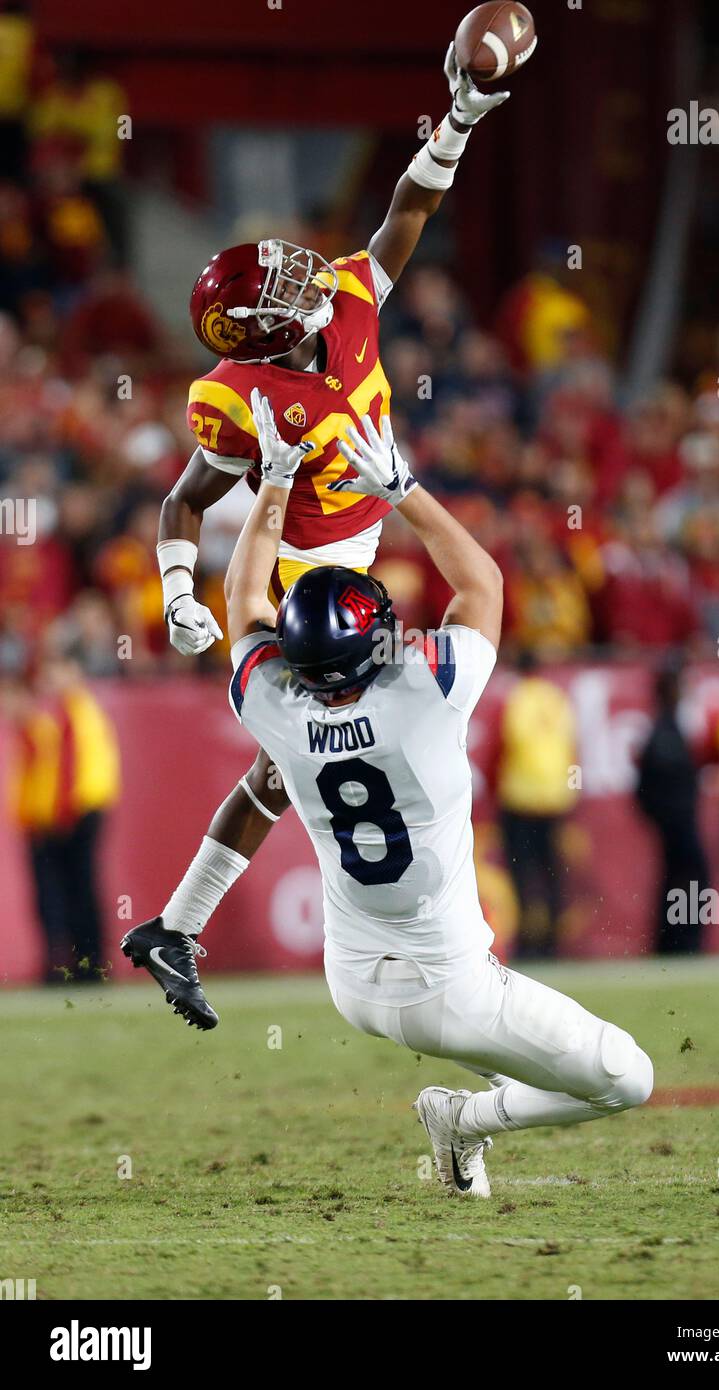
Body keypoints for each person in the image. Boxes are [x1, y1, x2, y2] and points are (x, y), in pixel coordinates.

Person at [122, 409, 653, 1198]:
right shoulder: (426, 693)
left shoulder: (275, 705)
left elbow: (244, 596)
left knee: (528, 1047)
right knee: (626, 1079)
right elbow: (483, 582)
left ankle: (182, 924)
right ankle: (462, 1122)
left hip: (353, 981)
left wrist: (270, 482)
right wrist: (403, 490)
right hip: (450, 988)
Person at [151, 40, 514, 918]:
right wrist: (174, 588)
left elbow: (408, 211)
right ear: (265, 337)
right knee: (314, 751)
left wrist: (458, 120)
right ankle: (406, 917)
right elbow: (184, 500)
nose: (303, 272)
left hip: (373, 521)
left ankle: (176, 924)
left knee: (289, 763)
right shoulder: (235, 398)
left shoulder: (347, 299)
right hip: (309, 567)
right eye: (281, 286)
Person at [4, 650, 120, 981]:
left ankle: (89, 962)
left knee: (78, 889)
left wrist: (63, 814)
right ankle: (73, 962)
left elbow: (70, 770)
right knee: (66, 892)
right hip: (62, 814)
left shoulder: (77, 713)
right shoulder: (61, 714)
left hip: (79, 812)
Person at [496, 651, 578, 956]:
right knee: (552, 873)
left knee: (521, 873)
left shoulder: (516, 698)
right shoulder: (557, 699)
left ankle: (528, 942)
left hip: (521, 797)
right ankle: (554, 943)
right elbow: (572, 746)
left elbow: (506, 744)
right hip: (556, 798)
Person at [636, 661, 709, 954]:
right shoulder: (665, 733)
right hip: (678, 822)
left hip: (675, 821)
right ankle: (682, 941)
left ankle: (675, 941)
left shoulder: (663, 729)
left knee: (678, 879)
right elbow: (656, 785)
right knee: (690, 878)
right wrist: (670, 816)